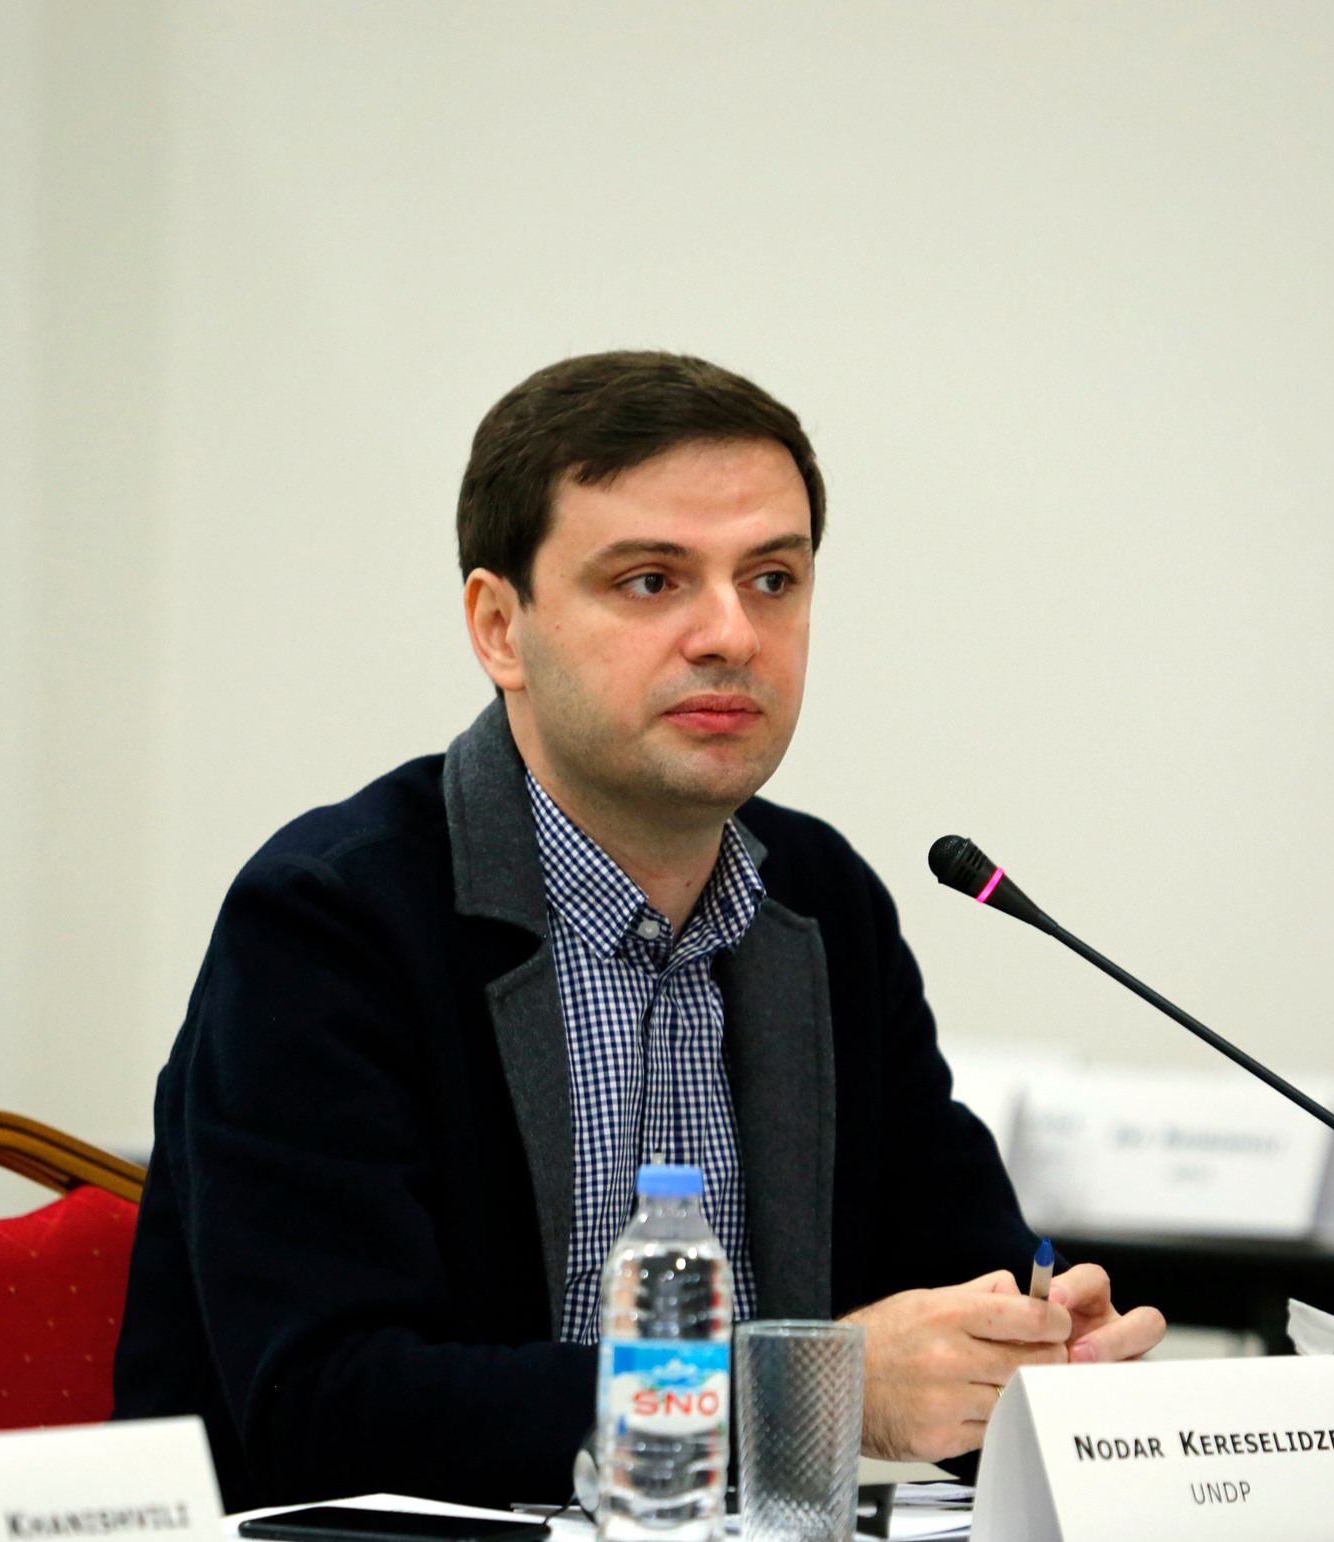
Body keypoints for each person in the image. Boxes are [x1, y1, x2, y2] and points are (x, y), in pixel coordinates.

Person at [113, 351, 1164, 1509]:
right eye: (652, 581)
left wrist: (1030, 1360)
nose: (730, 634)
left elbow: (948, 1294)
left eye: (772, 579)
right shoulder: (333, 919)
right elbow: (324, 1407)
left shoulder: (819, 905)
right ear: (499, 627)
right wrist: (809, 1390)